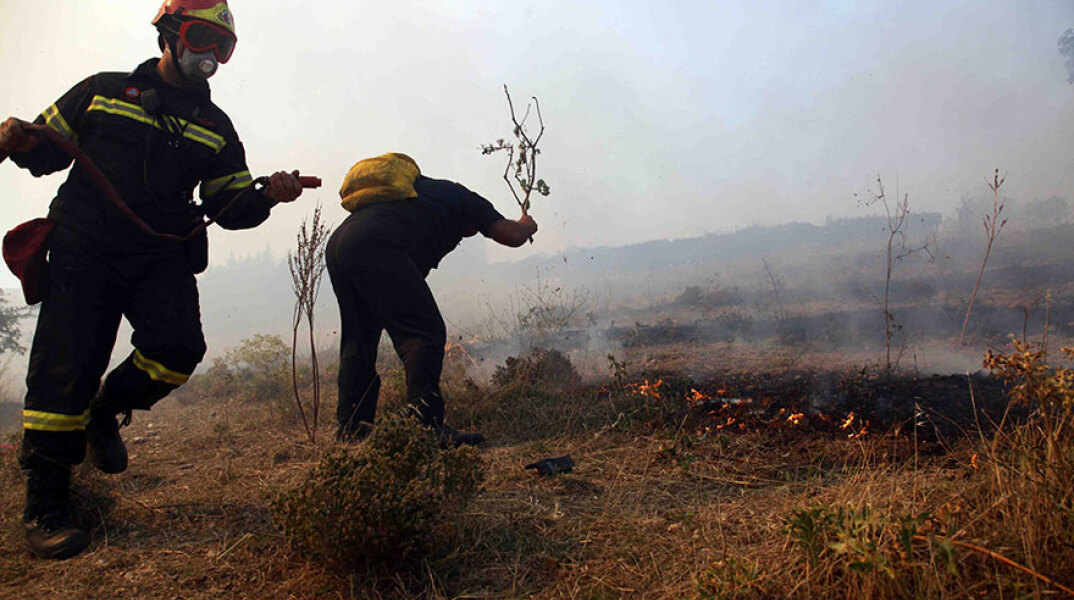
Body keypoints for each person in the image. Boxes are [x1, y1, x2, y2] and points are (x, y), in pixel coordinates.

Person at [0, 0, 304, 560]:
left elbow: (229, 204)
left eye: (223, 48)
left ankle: (104, 410)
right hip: (83, 250)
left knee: (178, 348)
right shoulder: (103, 90)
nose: (209, 55)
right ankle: (46, 509)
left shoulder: (215, 127)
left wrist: (267, 195)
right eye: (199, 37)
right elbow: (44, 151)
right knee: (64, 371)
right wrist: (17, 139)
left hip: (158, 254)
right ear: (168, 31)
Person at [327, 152, 538, 446]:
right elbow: (512, 235)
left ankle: (352, 430)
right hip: (376, 242)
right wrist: (527, 224)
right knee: (424, 333)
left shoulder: (420, 198)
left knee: (358, 339)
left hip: (341, 242)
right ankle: (425, 429)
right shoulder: (465, 199)